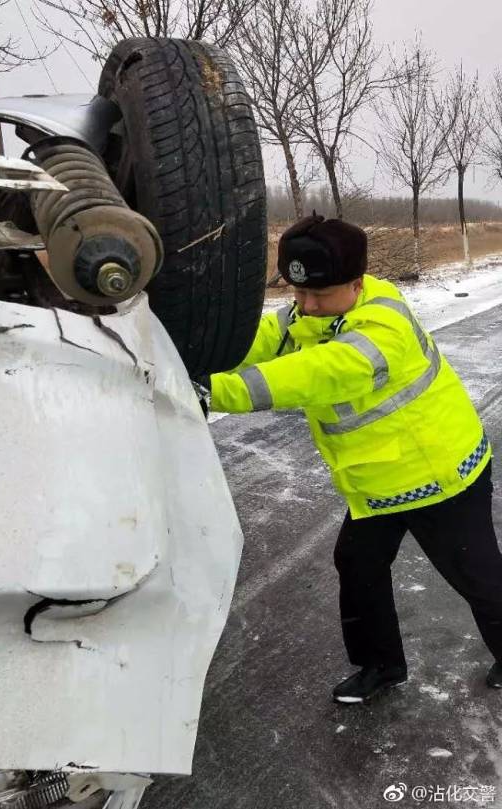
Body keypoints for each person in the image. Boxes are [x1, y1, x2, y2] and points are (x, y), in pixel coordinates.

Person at [203, 214, 502, 704]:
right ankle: (380, 666)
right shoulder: (308, 313)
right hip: (377, 484)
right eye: (297, 294)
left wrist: (209, 392)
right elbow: (257, 341)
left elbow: (319, 372)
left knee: (477, 575)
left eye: (319, 295)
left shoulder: (382, 326)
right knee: (357, 563)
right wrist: (192, 355)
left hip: (440, 475)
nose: (306, 306)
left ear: (357, 283)